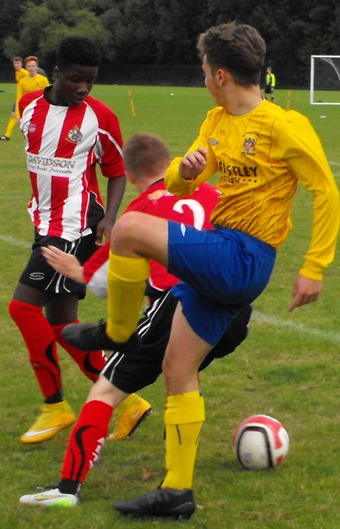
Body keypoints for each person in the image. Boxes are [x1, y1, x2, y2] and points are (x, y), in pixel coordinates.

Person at [23, 21, 340, 517]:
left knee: (128, 230)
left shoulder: (283, 125)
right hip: (219, 252)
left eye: (202, 69)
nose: (202, 76)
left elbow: (327, 191)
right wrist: (183, 171)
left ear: (218, 74)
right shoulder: (217, 122)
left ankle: (117, 330)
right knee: (177, 368)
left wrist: (315, 266)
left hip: (247, 254)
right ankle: (176, 492)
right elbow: (182, 185)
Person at [19, 132, 252, 507]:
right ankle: (178, 474)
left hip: (174, 303)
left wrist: (77, 270)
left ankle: (66, 491)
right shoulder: (212, 194)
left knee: (105, 391)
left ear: (128, 173)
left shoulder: (139, 212)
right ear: (170, 160)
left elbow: (100, 282)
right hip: (235, 307)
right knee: (186, 374)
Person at [8, 36, 129, 445]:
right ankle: (129, 403)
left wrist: (110, 217)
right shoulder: (28, 107)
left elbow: (117, 169)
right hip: (46, 223)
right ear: (55, 73)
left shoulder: (101, 117)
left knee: (22, 308)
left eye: (90, 82)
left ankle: (54, 405)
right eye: (76, 79)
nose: (83, 88)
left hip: (76, 228)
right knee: (61, 322)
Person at [0, 57, 28, 141]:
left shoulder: (24, 73)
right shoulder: (17, 72)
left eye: (18, 63)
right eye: (14, 63)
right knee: (14, 115)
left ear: (21, 64)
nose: (16, 65)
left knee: (22, 116)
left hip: (25, 99)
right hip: (19, 97)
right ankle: (7, 135)